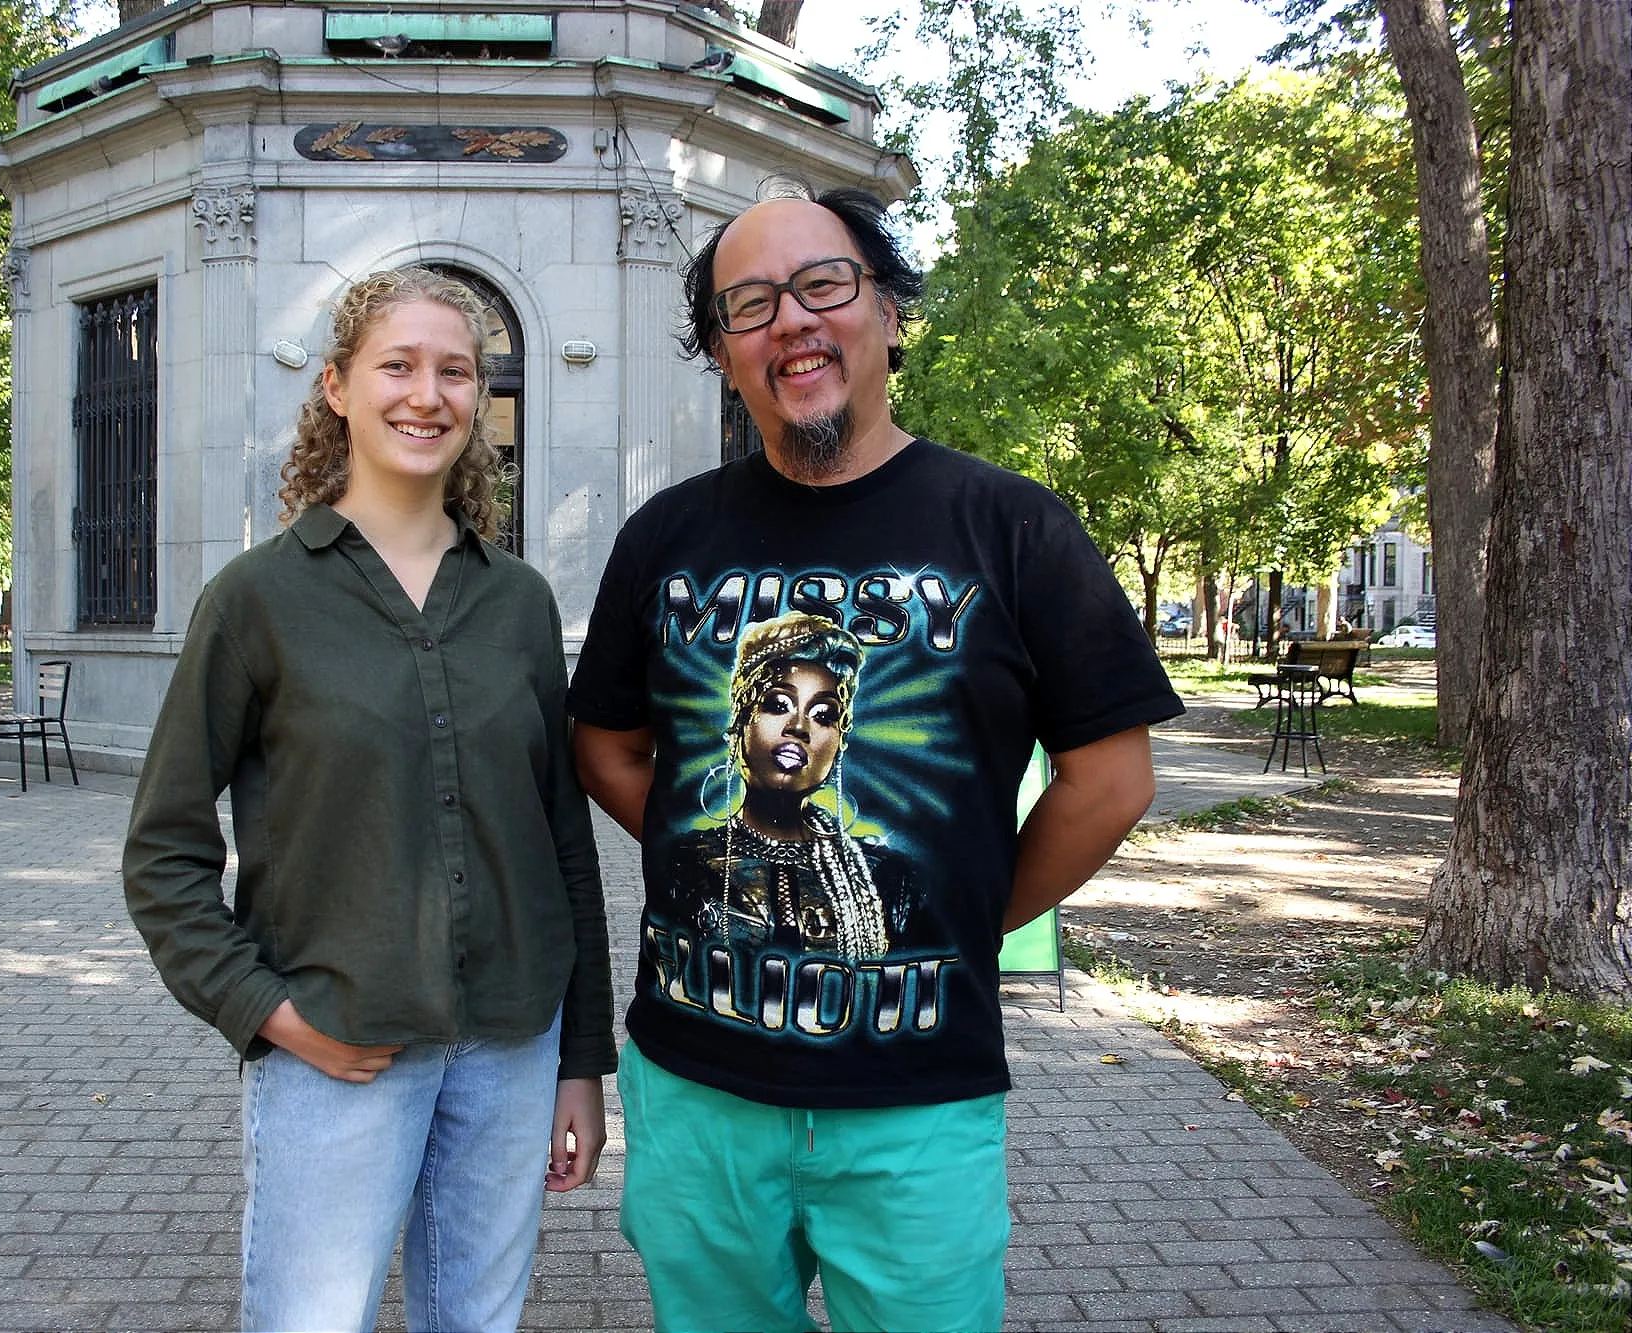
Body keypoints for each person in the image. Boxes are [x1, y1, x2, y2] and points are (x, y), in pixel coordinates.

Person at [568, 187, 1185, 1332]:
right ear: (719, 354)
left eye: (822, 285)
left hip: (915, 1103)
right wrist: (689, 849)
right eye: (747, 304)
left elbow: (1111, 777)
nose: (789, 321)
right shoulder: (662, 538)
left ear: (889, 312)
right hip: (695, 1098)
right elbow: (602, 744)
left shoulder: (1011, 527)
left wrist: (971, 907)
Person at [121, 266, 614, 1333]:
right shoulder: (256, 599)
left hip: (511, 1048)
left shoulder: (518, 601)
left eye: (454, 371)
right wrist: (268, 1014)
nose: (425, 394)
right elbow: (161, 848)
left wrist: (582, 1061)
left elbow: (562, 844)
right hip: (333, 1050)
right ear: (338, 385)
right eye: (397, 364)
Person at [666, 610, 923, 960]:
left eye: (824, 715)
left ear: (839, 741)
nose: (799, 726)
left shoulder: (887, 876)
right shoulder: (686, 865)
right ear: (741, 720)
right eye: (778, 705)